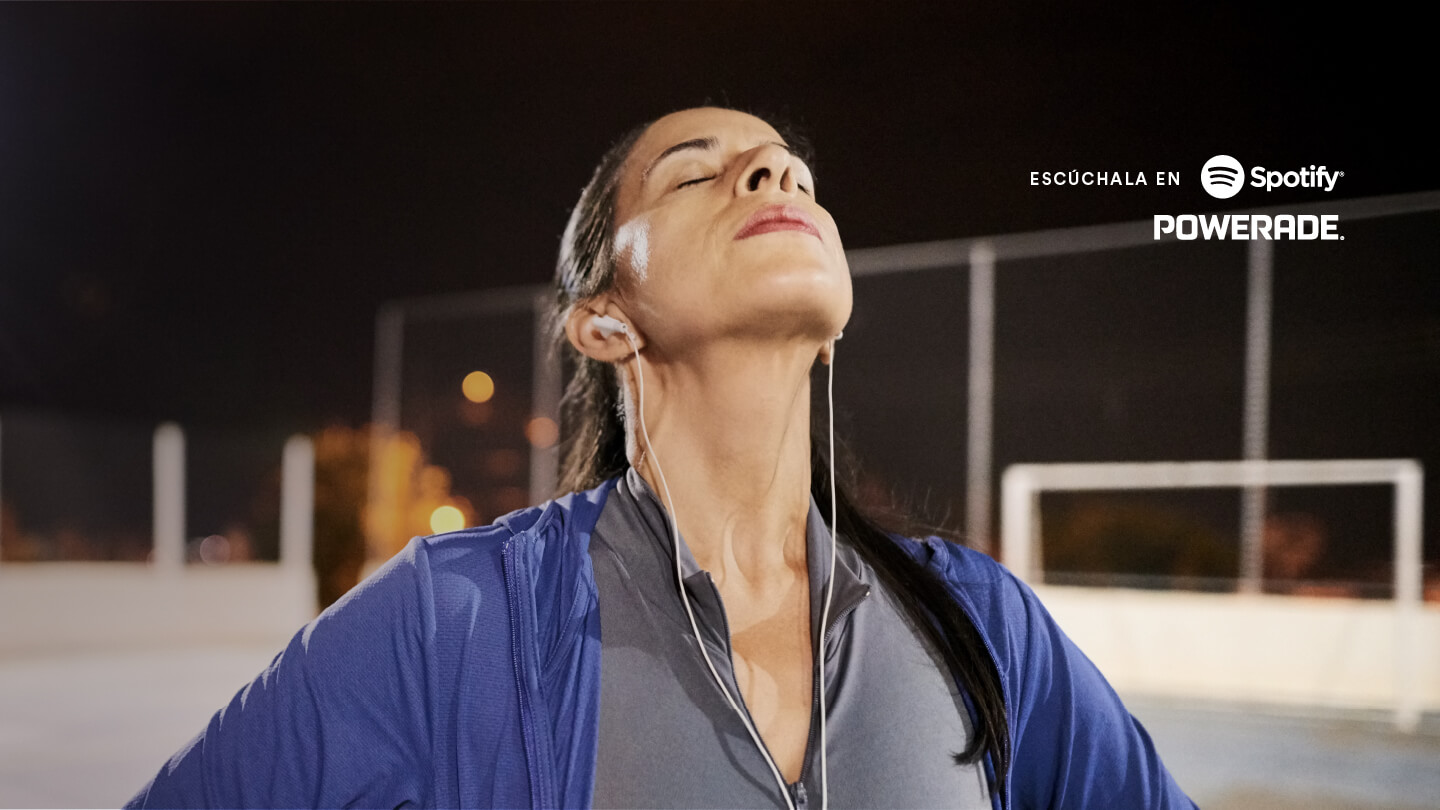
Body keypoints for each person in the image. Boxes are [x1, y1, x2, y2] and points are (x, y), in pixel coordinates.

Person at [124, 106, 1197, 810]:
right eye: (698, 176)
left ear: (832, 324)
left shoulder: (980, 622)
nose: (774, 170)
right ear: (604, 322)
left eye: (790, 172)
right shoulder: (454, 619)